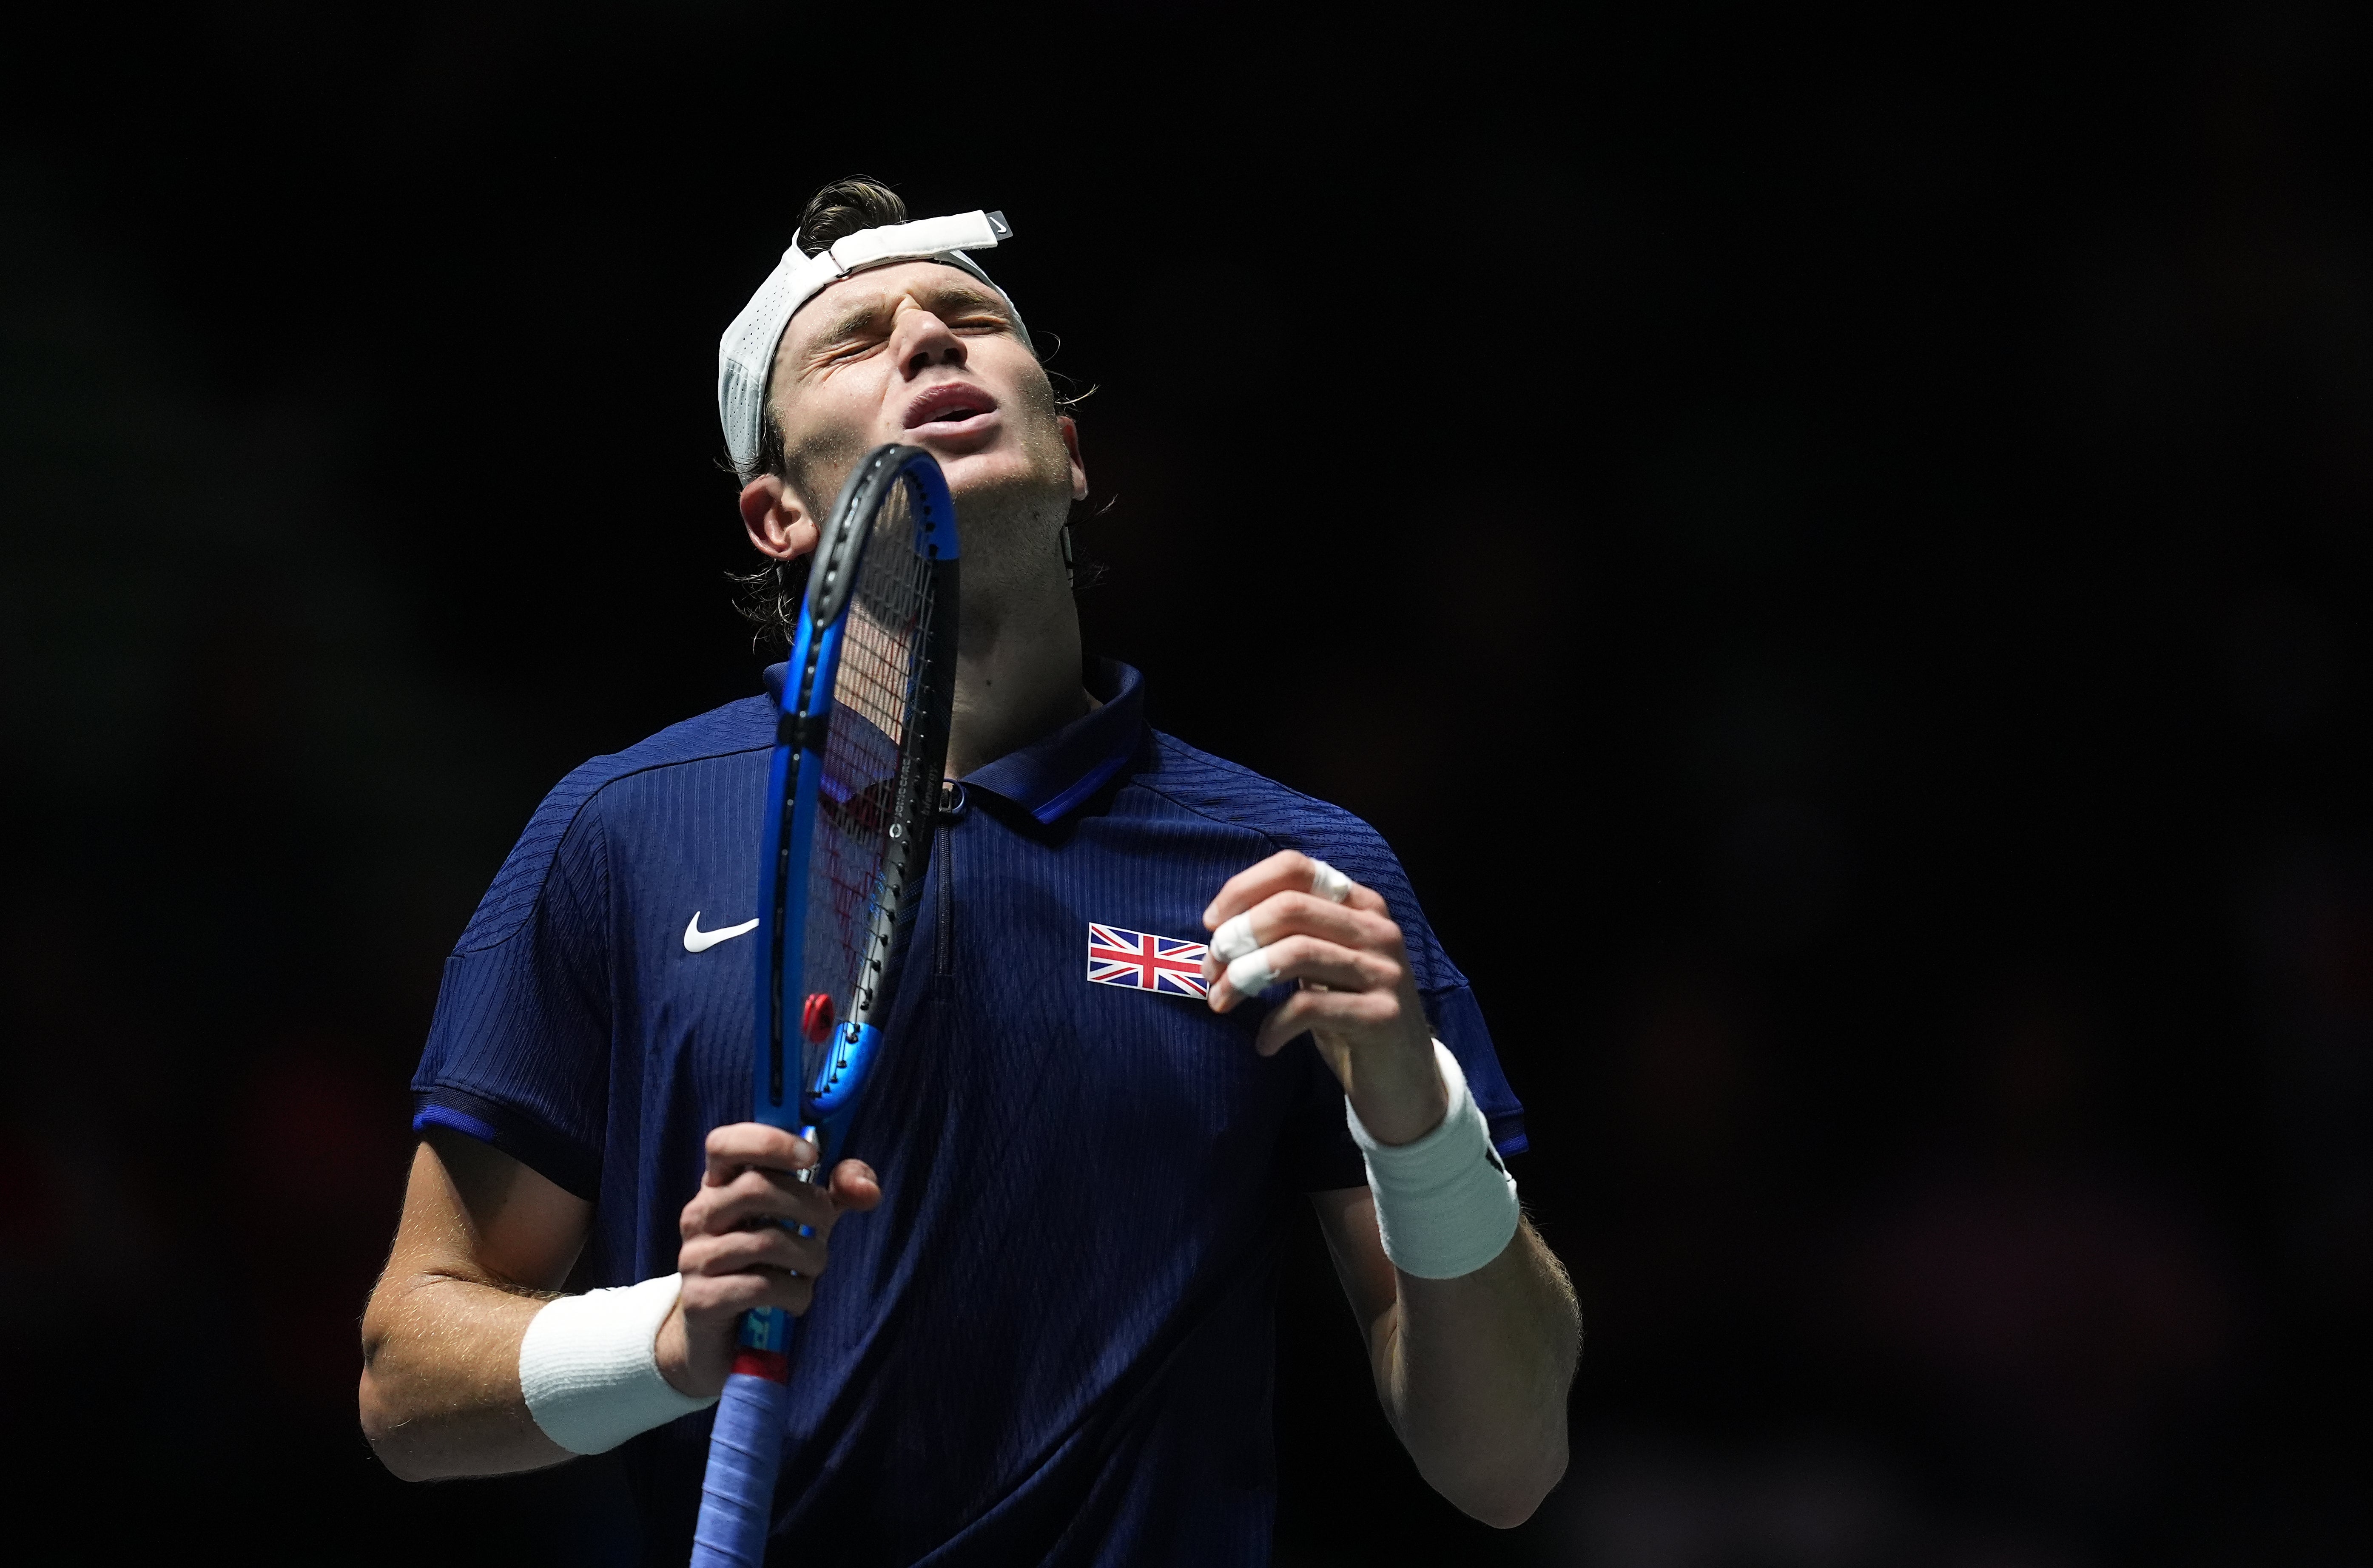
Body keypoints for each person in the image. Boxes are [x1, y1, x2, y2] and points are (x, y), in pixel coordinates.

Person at [358, 177, 1580, 1565]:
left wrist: (1420, 1115)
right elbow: (408, 1384)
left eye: (969, 319)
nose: (929, 344)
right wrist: (669, 1336)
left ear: (1066, 451)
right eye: (857, 341)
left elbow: (1506, 1460)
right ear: (776, 516)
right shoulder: (622, 835)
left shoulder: (1302, 879)